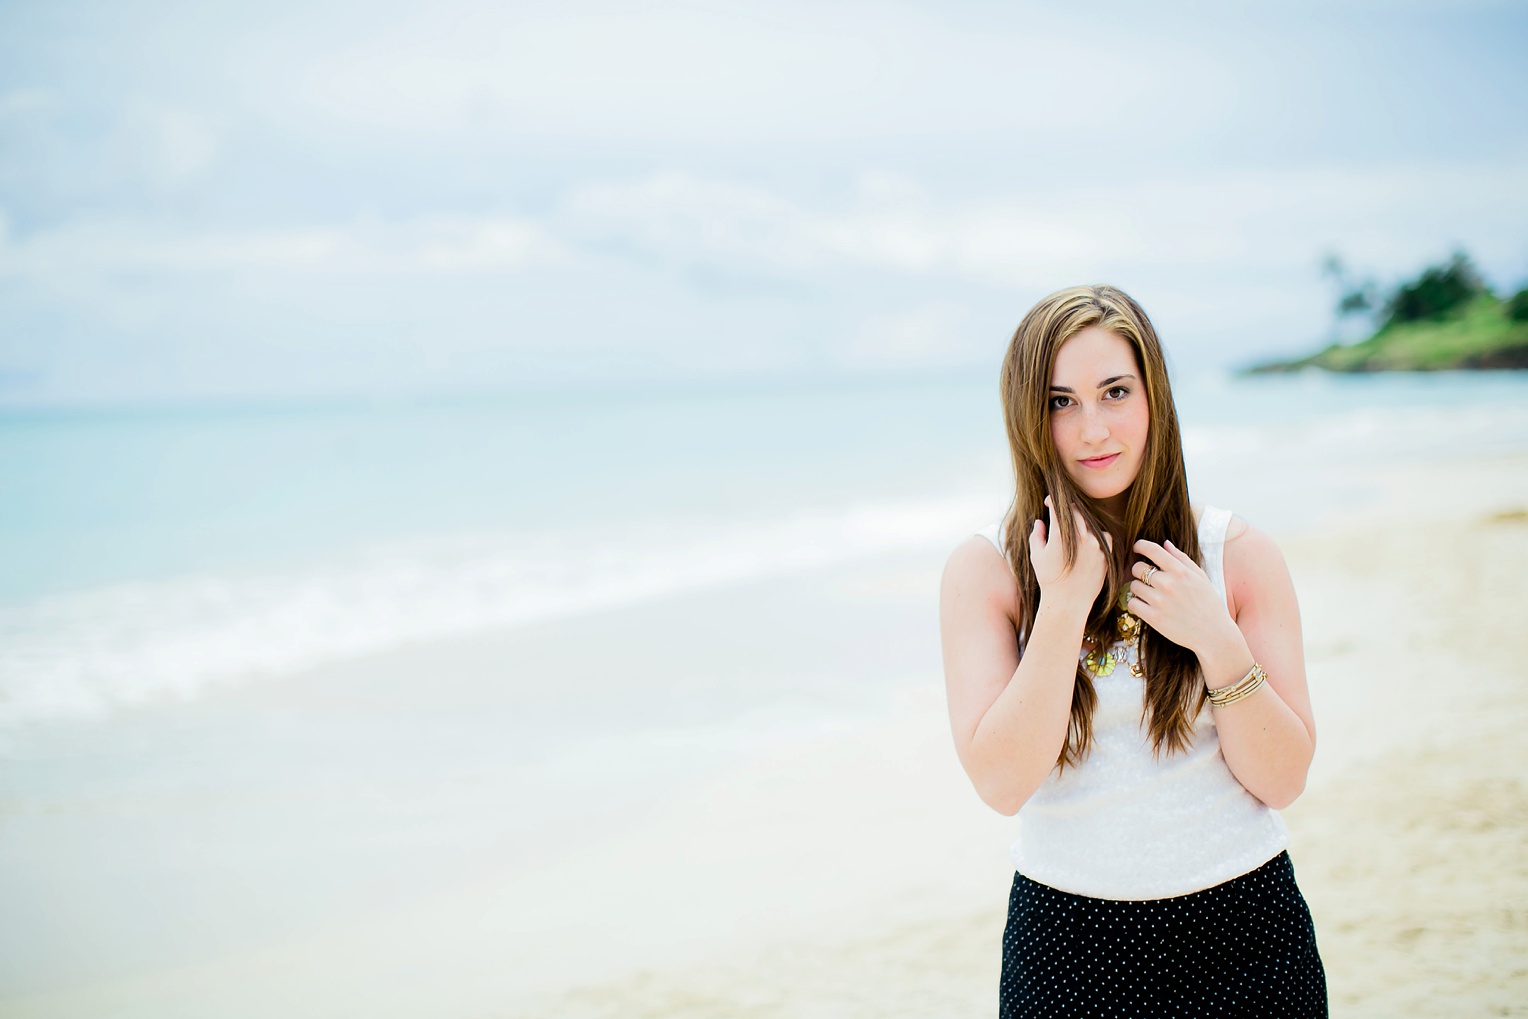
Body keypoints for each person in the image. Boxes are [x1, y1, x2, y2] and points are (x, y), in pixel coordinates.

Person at [939, 285, 1327, 1018]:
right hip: (1068, 944)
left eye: (1115, 391)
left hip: (1243, 931)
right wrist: (1060, 607)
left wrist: (1215, 637)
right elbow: (1000, 783)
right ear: (1028, 416)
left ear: (1153, 397)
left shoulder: (1237, 555)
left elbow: (1284, 777)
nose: (1093, 428)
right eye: (1060, 401)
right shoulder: (987, 571)